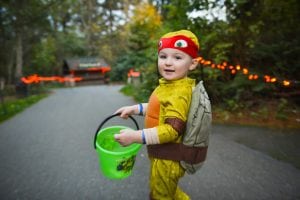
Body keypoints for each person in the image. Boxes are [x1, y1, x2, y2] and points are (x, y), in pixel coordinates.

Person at [114, 30, 200, 200]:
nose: (168, 62)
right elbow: (159, 109)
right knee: (167, 190)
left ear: (192, 63)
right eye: (163, 56)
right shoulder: (171, 85)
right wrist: (135, 109)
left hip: (169, 158)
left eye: (177, 57)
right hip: (162, 154)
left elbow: (171, 130)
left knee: (160, 195)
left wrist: (135, 136)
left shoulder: (179, 92)